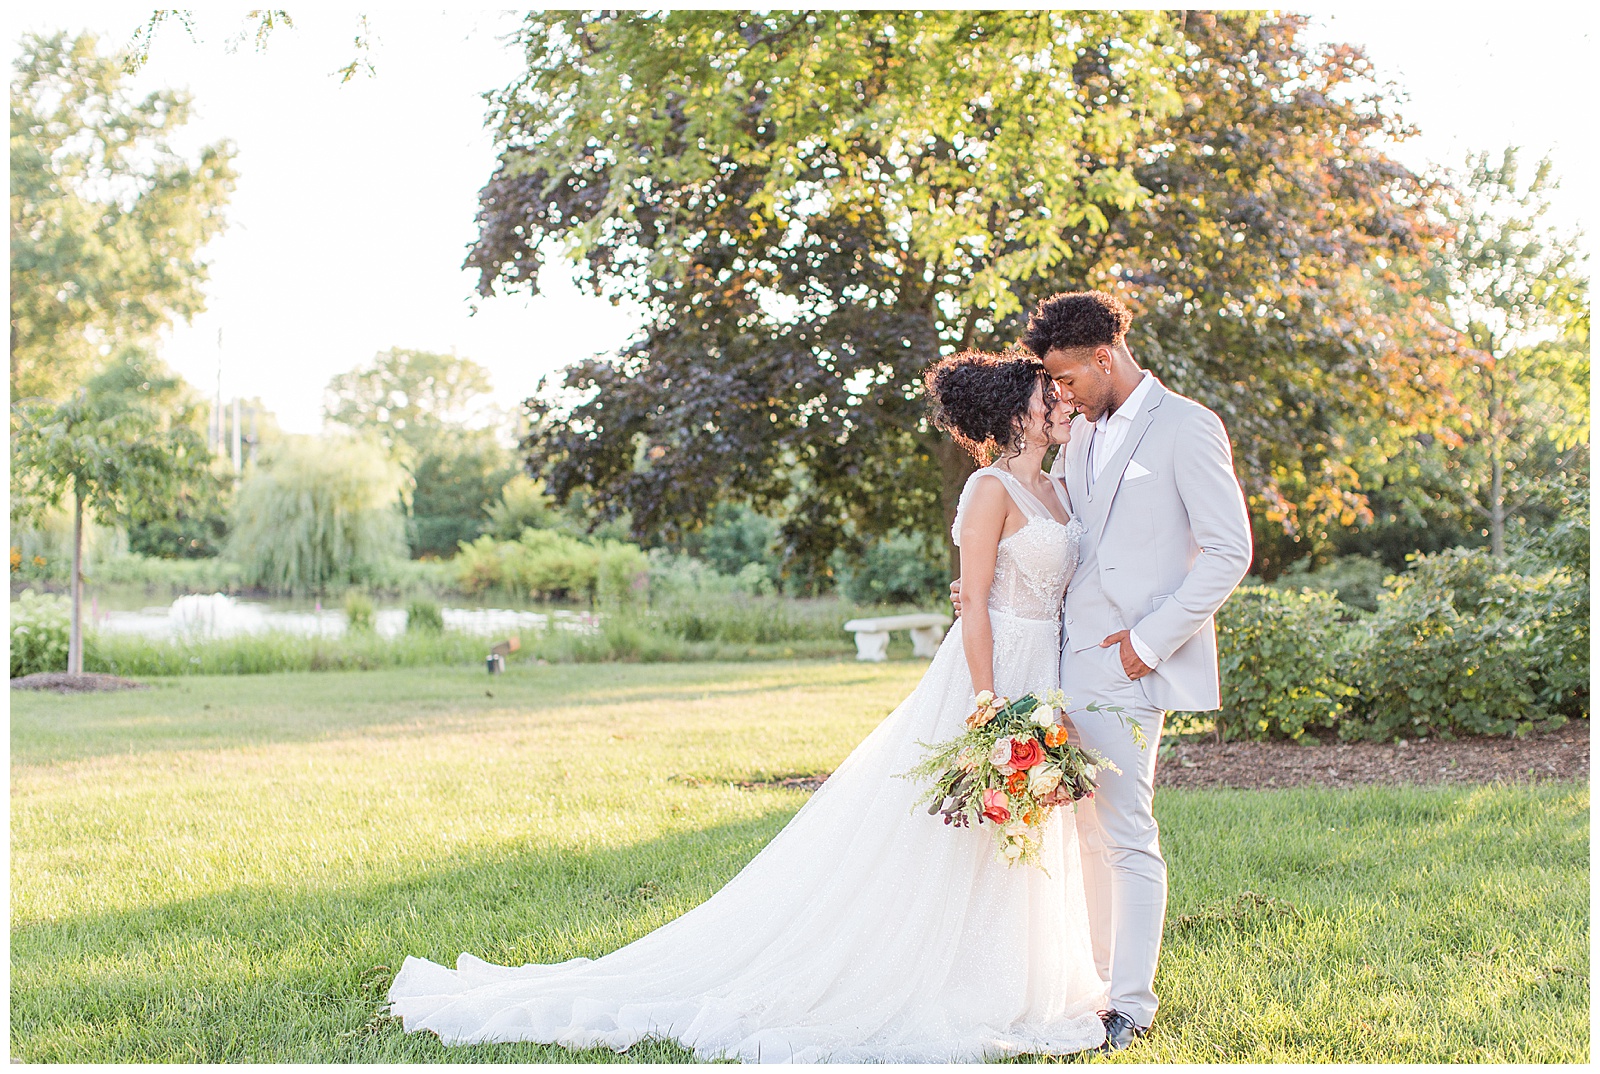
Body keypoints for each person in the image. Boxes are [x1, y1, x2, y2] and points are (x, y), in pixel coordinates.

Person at [386, 349, 1114, 1062]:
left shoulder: (1057, 490)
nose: (1061, 402)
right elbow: (975, 606)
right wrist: (987, 703)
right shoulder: (990, 490)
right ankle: (933, 972)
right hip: (993, 672)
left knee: (1020, 826)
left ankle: (1010, 974)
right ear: (1016, 413)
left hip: (1046, 668)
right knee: (960, 829)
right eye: (1047, 395)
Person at [952, 290, 1253, 1051]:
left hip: (1129, 664)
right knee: (1081, 833)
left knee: (1124, 831)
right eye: (1050, 385)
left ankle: (1133, 1003)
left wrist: (1148, 643)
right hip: (1056, 668)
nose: (1060, 395)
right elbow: (1061, 541)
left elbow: (1227, 551)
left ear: (1104, 358)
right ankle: (1093, 984)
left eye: (1068, 379)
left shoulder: (1188, 427)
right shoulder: (1080, 438)